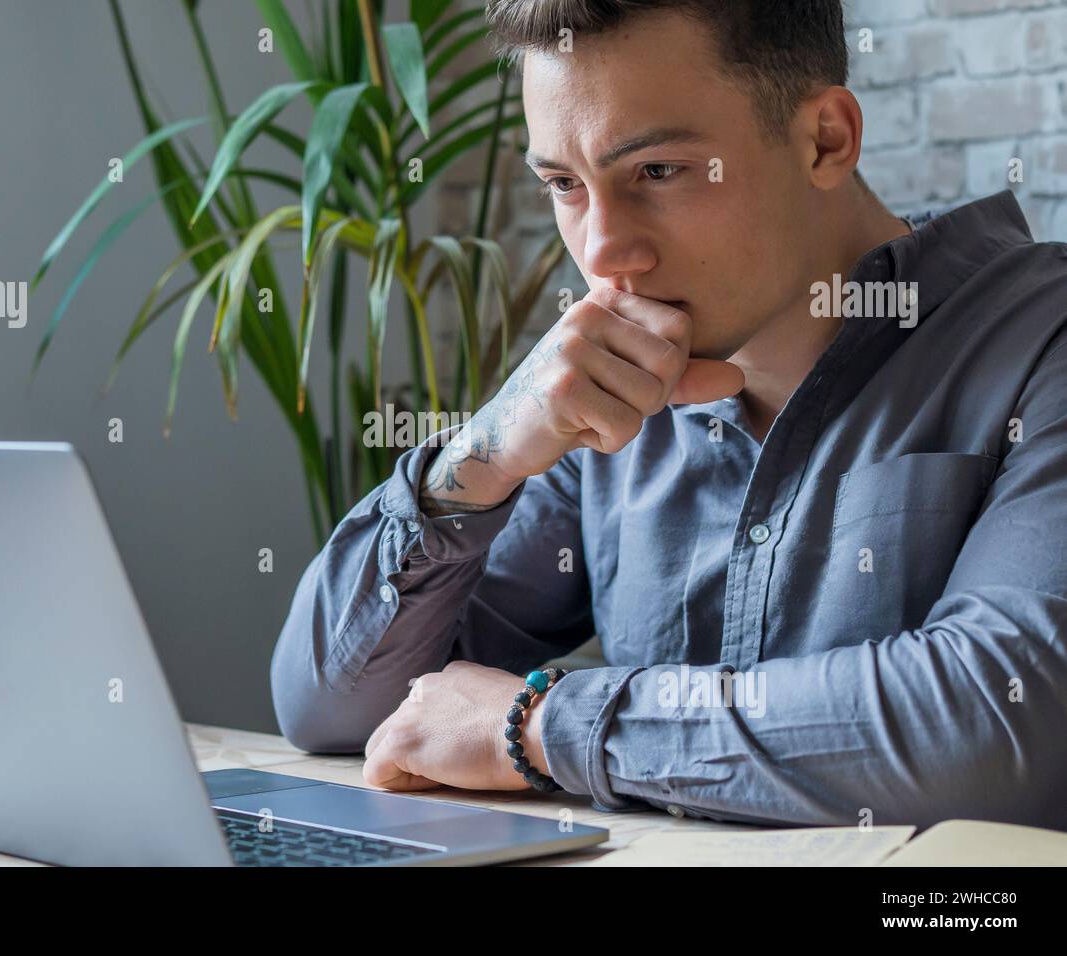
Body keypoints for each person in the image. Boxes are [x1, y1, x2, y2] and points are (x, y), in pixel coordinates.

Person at [271, 0, 1067, 828]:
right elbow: (329, 707)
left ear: (825, 138)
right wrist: (485, 455)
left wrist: (543, 728)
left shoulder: (1044, 341)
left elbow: (997, 732)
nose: (602, 252)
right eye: (564, 185)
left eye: (658, 171)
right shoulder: (610, 408)